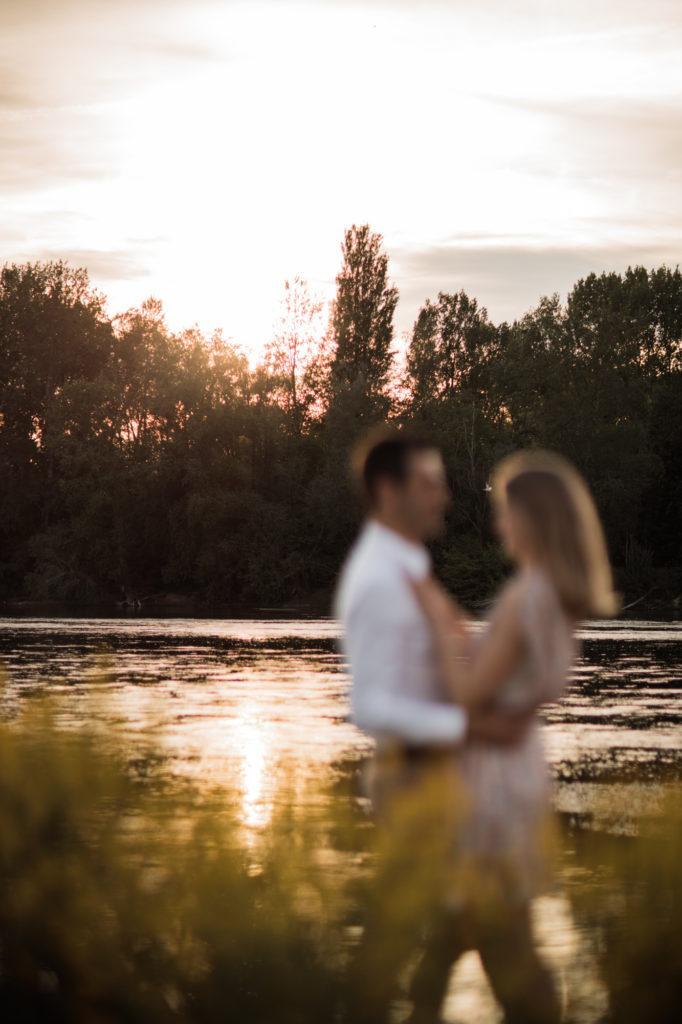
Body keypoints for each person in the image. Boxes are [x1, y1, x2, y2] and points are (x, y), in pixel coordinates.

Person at [410, 449, 619, 1024]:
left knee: (491, 952)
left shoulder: (529, 598)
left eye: (505, 509)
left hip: (491, 788)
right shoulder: (553, 598)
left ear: (532, 517)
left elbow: (471, 691)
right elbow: (501, 701)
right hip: (512, 769)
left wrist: (432, 625)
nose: (499, 522)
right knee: (473, 946)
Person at [335, 429, 533, 1024]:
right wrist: (469, 730)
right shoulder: (376, 581)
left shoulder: (409, 569)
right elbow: (370, 706)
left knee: (439, 954)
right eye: (430, 484)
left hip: (448, 790)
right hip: (418, 788)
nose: (444, 496)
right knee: (496, 953)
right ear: (388, 490)